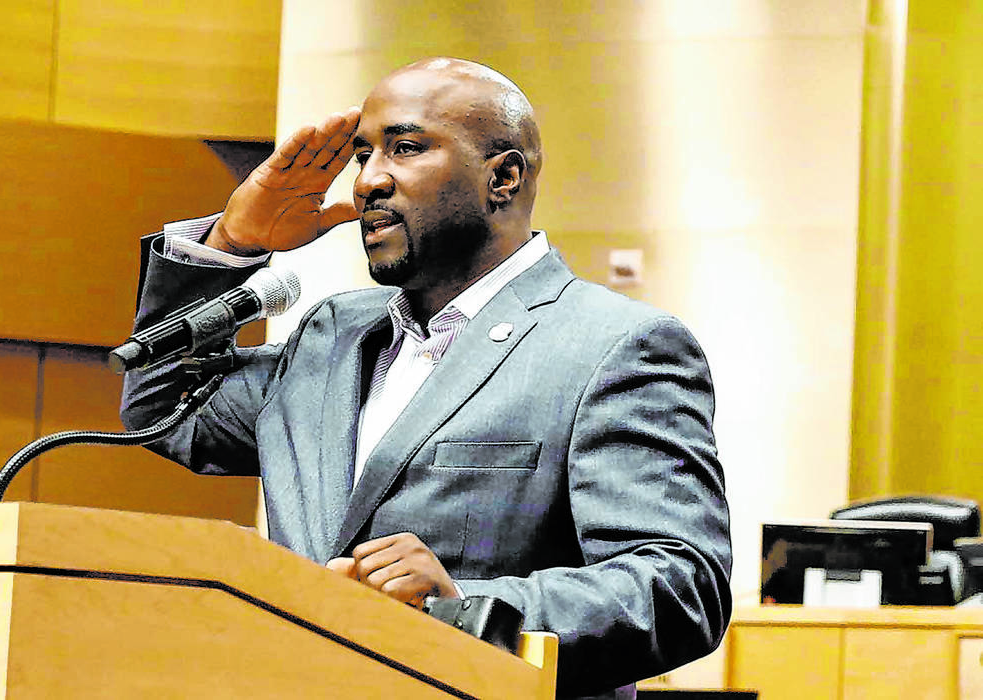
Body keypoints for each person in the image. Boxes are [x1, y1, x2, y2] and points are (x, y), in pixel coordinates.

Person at [121, 57, 732, 697]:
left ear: (503, 178)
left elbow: (680, 585)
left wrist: (461, 607)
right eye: (362, 156)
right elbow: (164, 412)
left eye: (406, 149)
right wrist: (234, 241)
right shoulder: (330, 335)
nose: (367, 183)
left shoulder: (613, 346)